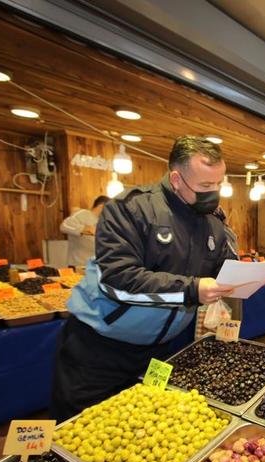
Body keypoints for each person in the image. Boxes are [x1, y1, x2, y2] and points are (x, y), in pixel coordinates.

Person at [50, 136, 236, 421]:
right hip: (100, 348)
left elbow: (223, 266)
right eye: (204, 186)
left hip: (162, 351)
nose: (213, 193)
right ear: (176, 178)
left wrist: (241, 275)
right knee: (80, 434)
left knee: (143, 431)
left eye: (218, 184)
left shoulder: (212, 222)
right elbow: (118, 280)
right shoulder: (129, 209)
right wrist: (192, 290)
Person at [60, 196, 109, 266]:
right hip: (78, 266)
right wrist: (87, 229)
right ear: (101, 206)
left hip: (95, 267)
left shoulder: (103, 221)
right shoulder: (82, 214)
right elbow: (64, 226)